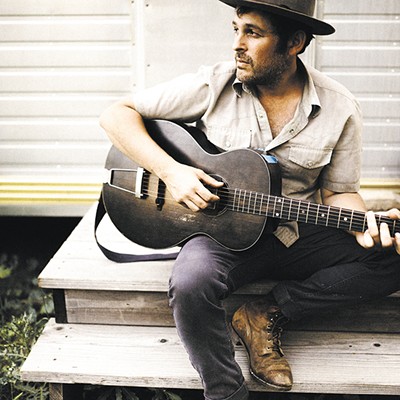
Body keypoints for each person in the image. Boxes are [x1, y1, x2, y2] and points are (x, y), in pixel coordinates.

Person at [100, 0, 400, 399]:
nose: (237, 45)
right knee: (190, 282)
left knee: (393, 260)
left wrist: (361, 226)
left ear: (294, 42)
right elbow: (116, 114)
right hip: (220, 234)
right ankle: (225, 390)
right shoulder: (215, 84)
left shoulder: (340, 107)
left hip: (295, 232)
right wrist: (173, 173)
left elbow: (339, 192)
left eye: (253, 33)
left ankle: (267, 313)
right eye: (236, 29)